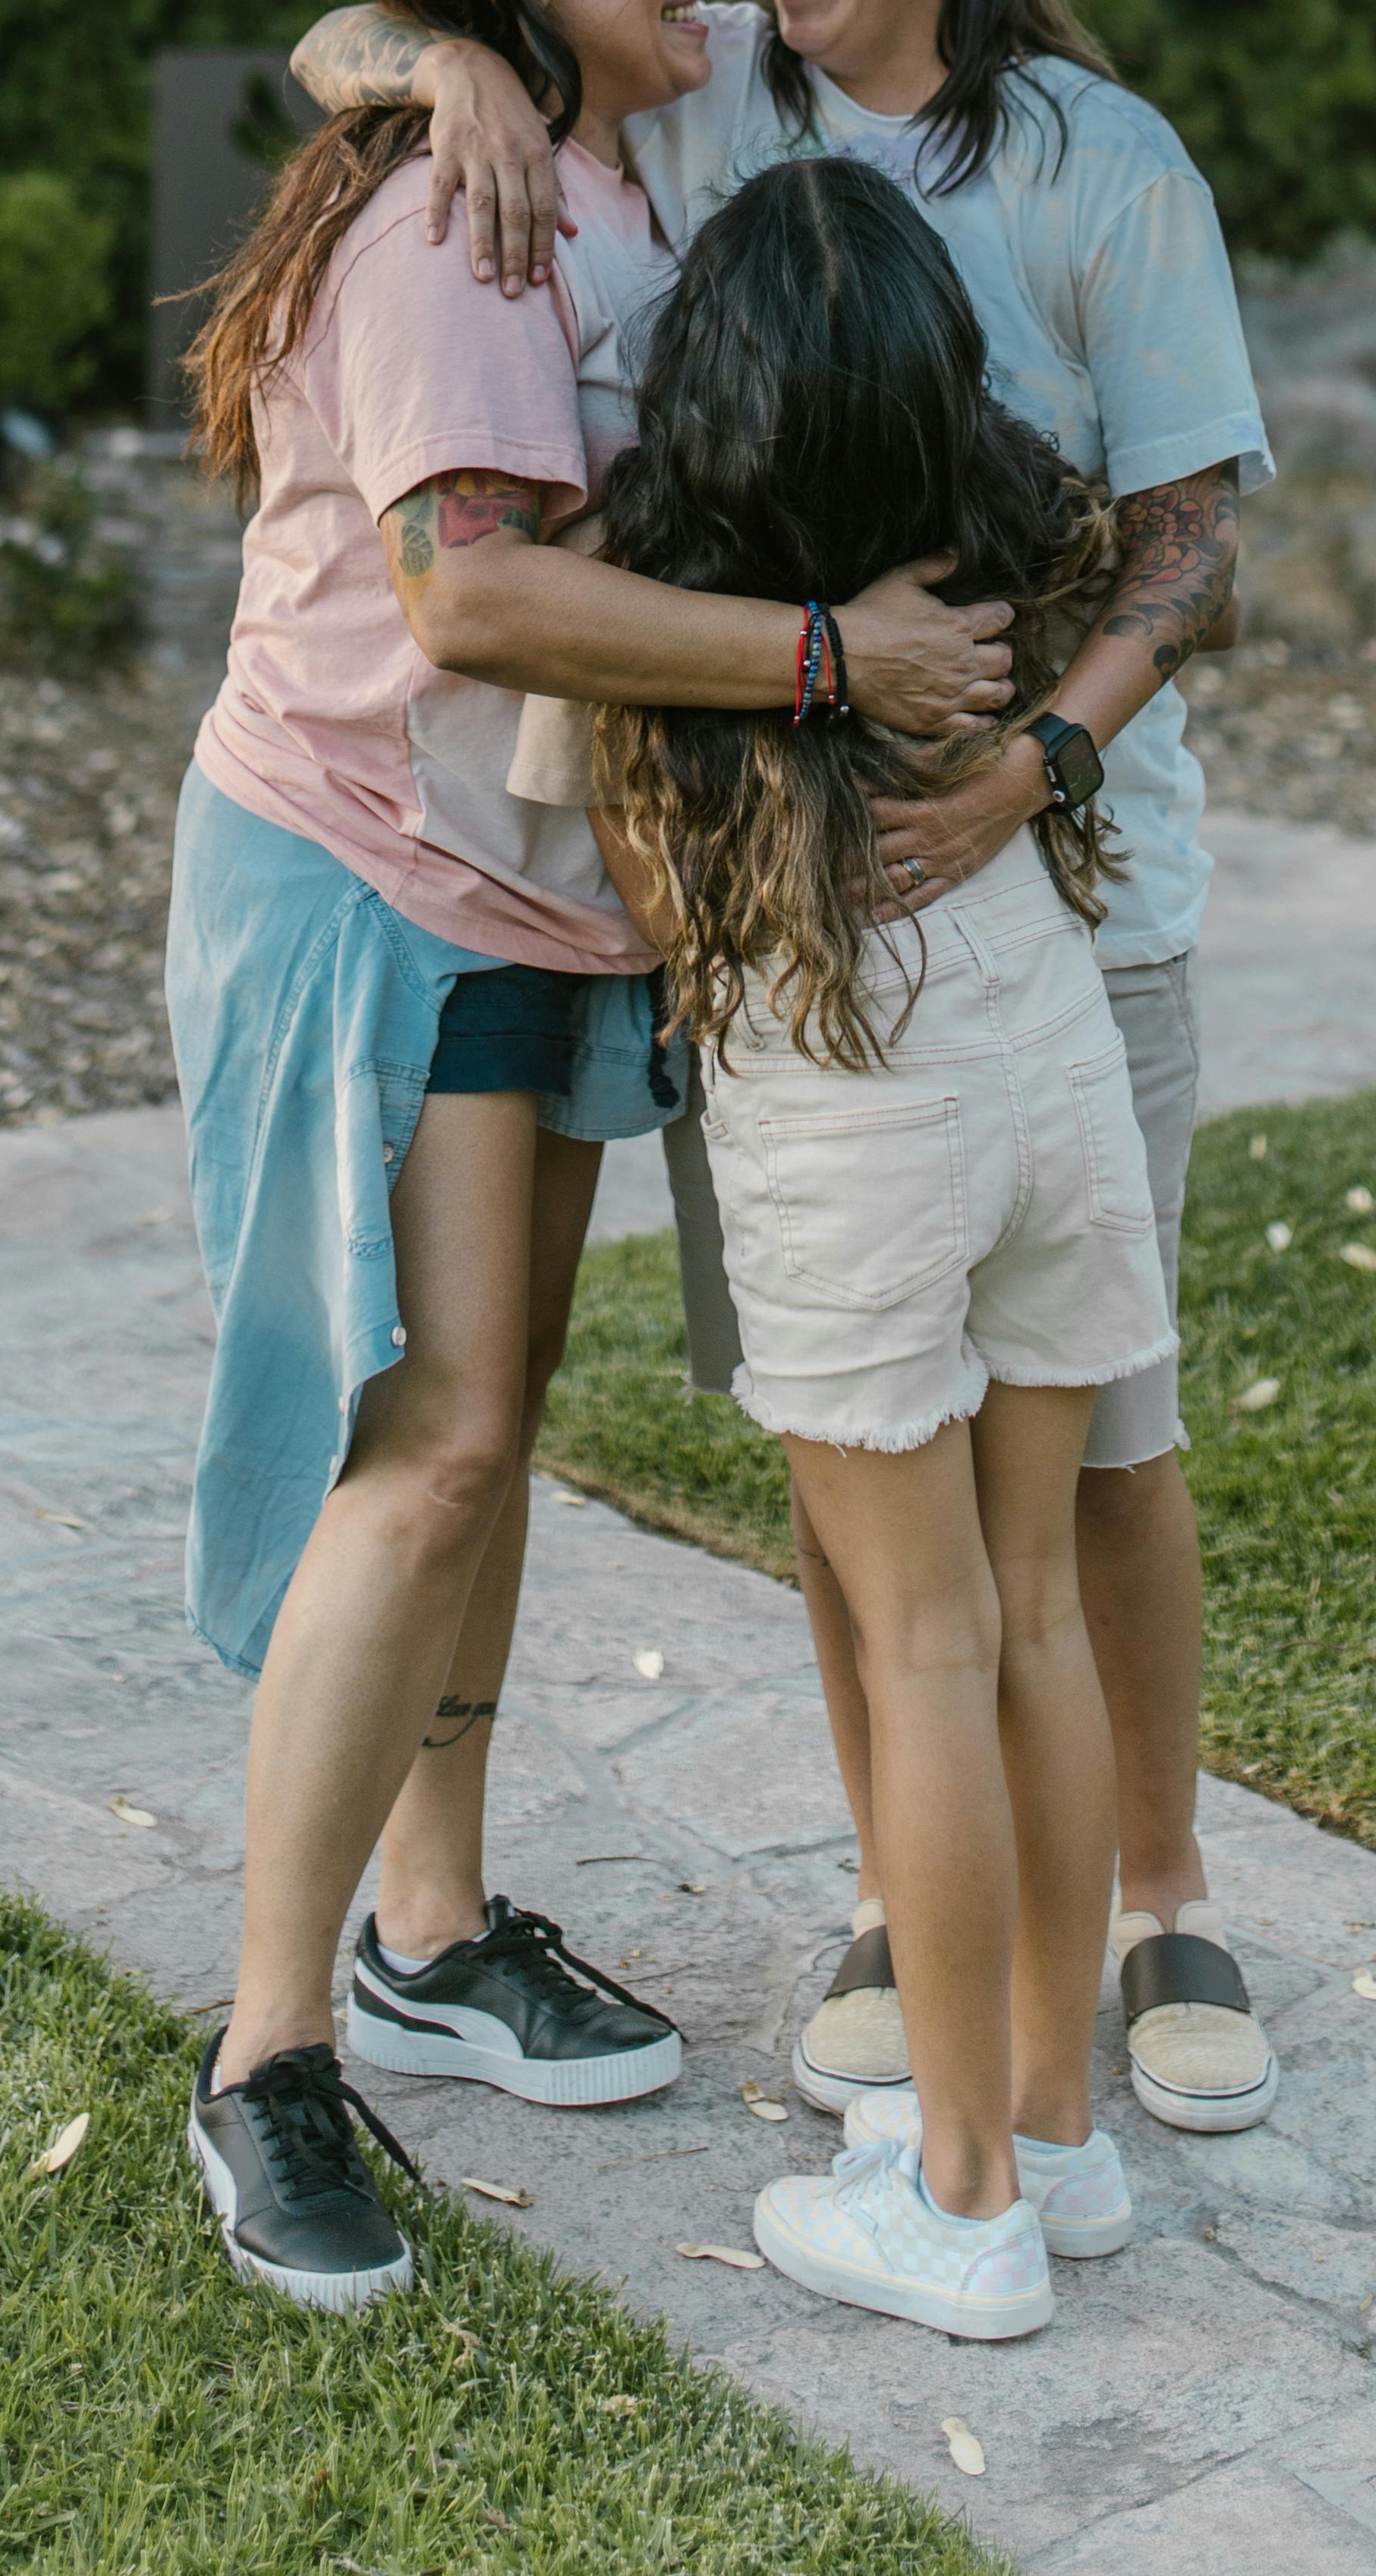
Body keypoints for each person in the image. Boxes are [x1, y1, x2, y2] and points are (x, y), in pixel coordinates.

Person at [295, 0, 1278, 2142]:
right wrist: (462, 77)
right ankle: (908, 1903)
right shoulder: (703, 85)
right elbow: (356, 24)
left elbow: (1192, 552)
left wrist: (1040, 756)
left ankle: (1157, 1903)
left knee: (1098, 1452)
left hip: (1077, 903)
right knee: (862, 1432)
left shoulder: (1095, 162)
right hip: (778, 942)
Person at [168, 0, 1015, 2311]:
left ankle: (435, 1932)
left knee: (491, 1436)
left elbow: (386, 19)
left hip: (544, 908)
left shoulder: (647, 136)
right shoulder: (464, 224)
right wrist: (823, 655)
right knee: (418, 1452)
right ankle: (266, 2059)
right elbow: (473, 605)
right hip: (371, 881)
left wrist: (435, 44)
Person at [534, 159, 1170, 2341]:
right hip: (1046, 1072)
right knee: (1034, 1627)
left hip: (852, 1118)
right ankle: (1060, 2144)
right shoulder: (999, 530)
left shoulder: (656, 591)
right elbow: (1168, 586)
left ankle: (962, 2202)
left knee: (916, 1648)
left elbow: (636, 894)